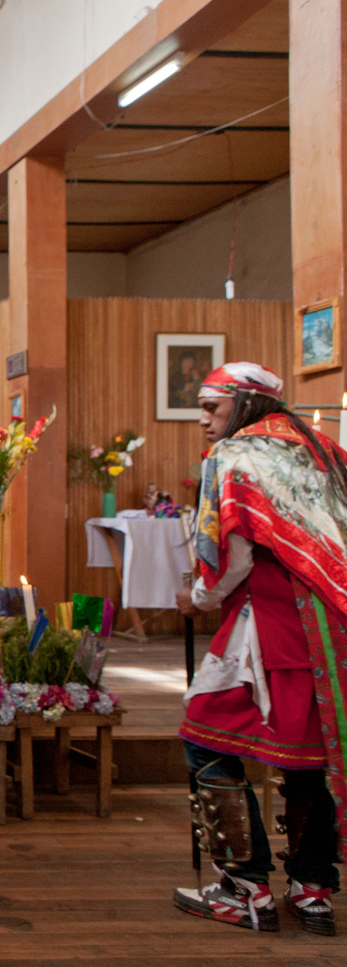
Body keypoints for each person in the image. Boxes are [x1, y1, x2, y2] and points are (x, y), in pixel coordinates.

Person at [172, 362, 347, 936]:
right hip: (332, 626)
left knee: (206, 739)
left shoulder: (236, 457)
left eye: (212, 408)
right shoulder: (323, 450)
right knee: (310, 761)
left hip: (267, 623)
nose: (204, 421)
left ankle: (243, 888)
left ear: (245, 404)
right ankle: (313, 891)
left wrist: (196, 599)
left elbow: (233, 555)